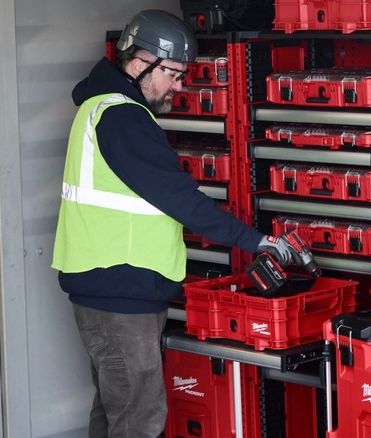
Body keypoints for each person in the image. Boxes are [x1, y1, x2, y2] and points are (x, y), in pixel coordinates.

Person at [51, 10, 293, 438]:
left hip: (108, 286)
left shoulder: (102, 107)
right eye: (174, 74)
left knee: (114, 412)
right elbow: (180, 199)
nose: (180, 87)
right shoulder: (122, 117)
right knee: (139, 419)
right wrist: (258, 242)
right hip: (119, 291)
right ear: (141, 61)